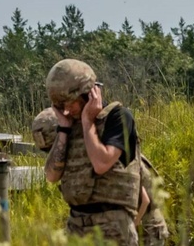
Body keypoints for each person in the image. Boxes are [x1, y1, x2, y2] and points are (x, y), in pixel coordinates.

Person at [33, 107, 170, 245]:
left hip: (147, 230)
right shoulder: (82, 156)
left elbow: (144, 201)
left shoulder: (110, 155)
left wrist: (125, 232)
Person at [42, 59, 142, 245]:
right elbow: (51, 175)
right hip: (76, 226)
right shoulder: (69, 125)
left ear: (88, 94)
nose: (66, 110)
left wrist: (88, 122)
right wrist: (63, 130)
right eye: (60, 106)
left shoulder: (118, 117)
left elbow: (102, 163)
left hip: (112, 227)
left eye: (69, 103)